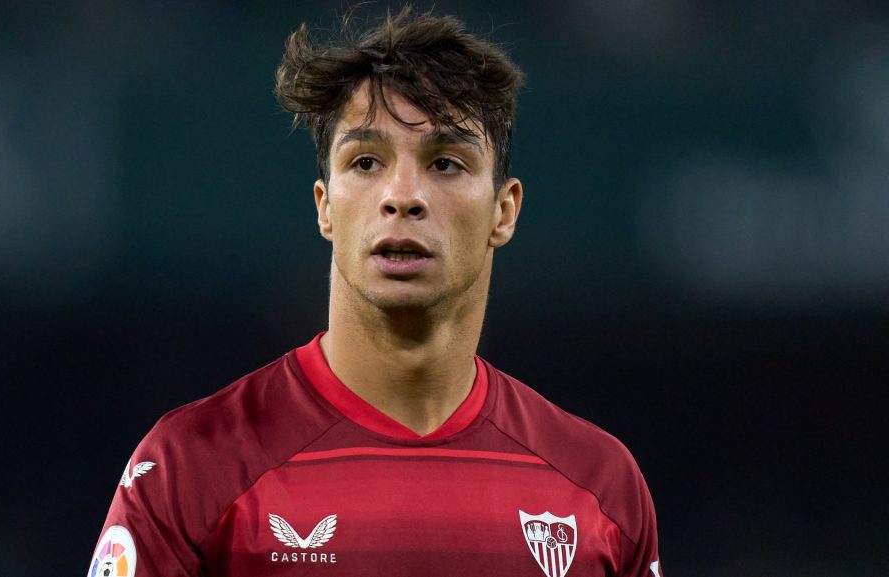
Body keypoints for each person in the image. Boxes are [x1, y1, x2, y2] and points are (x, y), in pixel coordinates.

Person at [88, 6, 662, 577]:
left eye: (445, 163)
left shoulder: (598, 487)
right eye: (365, 161)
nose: (403, 195)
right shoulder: (191, 465)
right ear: (325, 207)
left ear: (504, 211)